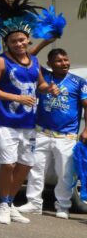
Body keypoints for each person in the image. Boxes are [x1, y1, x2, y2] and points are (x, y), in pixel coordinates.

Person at [0, 20, 48, 225]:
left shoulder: (34, 61)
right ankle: (2, 203)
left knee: (26, 164)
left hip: (29, 121)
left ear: (28, 40)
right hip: (5, 120)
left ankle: (10, 204)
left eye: (21, 40)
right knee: (8, 164)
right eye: (13, 41)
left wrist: (49, 88)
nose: (18, 44)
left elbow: (41, 83)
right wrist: (16, 98)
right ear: (7, 43)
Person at [17, 48, 87, 219]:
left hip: (66, 136)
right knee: (36, 169)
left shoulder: (79, 82)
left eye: (65, 59)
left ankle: (62, 205)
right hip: (42, 133)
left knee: (65, 173)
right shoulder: (44, 77)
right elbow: (29, 57)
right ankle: (34, 203)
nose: (64, 63)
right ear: (49, 64)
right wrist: (43, 42)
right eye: (59, 61)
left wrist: (86, 130)